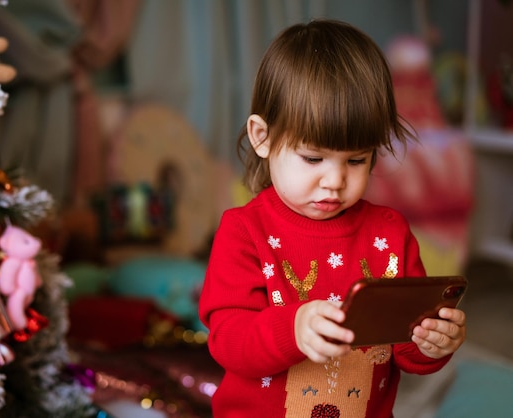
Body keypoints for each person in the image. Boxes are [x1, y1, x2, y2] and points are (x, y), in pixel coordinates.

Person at [198, 19, 466, 417]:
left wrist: (431, 343)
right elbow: (228, 341)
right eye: (313, 158)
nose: (335, 180)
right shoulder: (245, 231)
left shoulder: (389, 233)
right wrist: (292, 329)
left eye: (356, 160)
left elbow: (406, 348)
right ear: (262, 137)